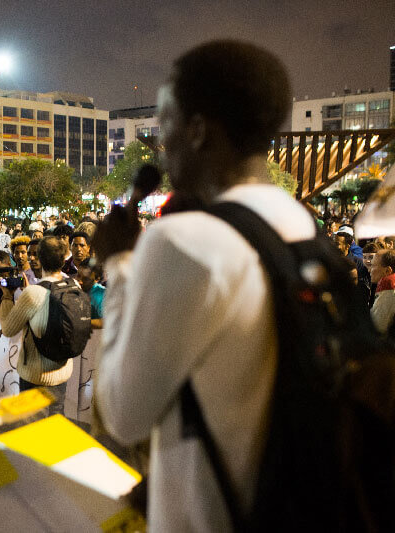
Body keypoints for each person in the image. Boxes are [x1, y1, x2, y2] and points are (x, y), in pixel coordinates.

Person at [94, 40, 310, 531]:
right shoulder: (297, 222)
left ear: (195, 130)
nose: (158, 142)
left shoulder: (186, 240)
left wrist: (121, 264)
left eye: (163, 122)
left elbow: (123, 415)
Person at [0, 237, 72, 414]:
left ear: (42, 259)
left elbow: (8, 328)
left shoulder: (32, 292)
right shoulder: (71, 284)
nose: (30, 258)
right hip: (62, 369)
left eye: (35, 254)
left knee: (32, 424)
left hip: (35, 372)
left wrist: (8, 297)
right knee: (56, 421)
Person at [369, 249, 395, 334]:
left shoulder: (389, 285)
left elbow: (377, 326)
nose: (369, 270)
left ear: (387, 271)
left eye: (373, 266)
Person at [76, 258, 104, 329]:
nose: (80, 281)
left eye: (85, 279)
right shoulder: (74, 290)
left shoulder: (102, 295)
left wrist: (78, 323)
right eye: (78, 276)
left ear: (97, 279)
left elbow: (105, 322)